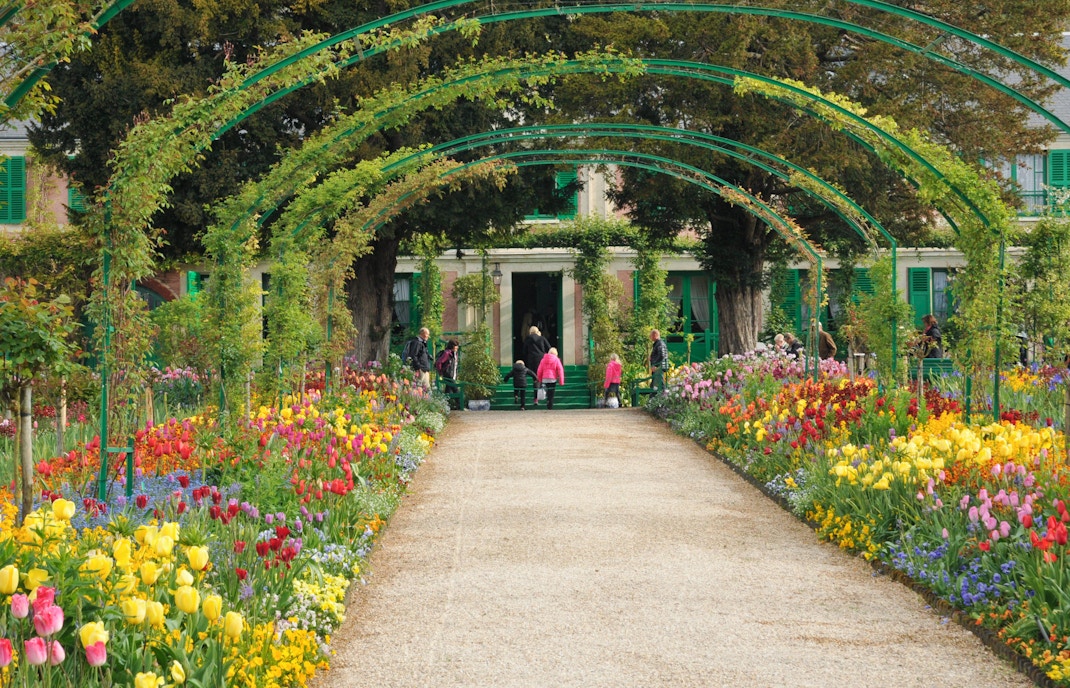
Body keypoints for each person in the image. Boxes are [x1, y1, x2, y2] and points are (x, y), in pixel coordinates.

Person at [523, 326, 552, 405]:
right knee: (542, 377)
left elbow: (524, 350)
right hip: (541, 359)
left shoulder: (527, 339)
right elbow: (549, 348)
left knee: (535, 378)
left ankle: (536, 399)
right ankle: (545, 396)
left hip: (532, 360)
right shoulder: (542, 338)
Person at [435, 339, 460, 405]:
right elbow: (439, 362)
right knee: (456, 390)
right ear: (452, 346)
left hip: (452, 375)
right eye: (456, 346)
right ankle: (460, 405)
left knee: (448, 392)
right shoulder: (447, 353)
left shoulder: (455, 354)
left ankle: (444, 405)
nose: (457, 347)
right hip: (448, 375)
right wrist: (441, 372)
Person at [649, 329, 669, 393]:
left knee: (659, 383)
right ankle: (652, 399)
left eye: (651, 335)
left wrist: (655, 365)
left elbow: (661, 355)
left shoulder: (660, 343)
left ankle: (665, 395)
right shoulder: (658, 344)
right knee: (654, 384)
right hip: (658, 367)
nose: (650, 337)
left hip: (659, 367)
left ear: (655, 335)